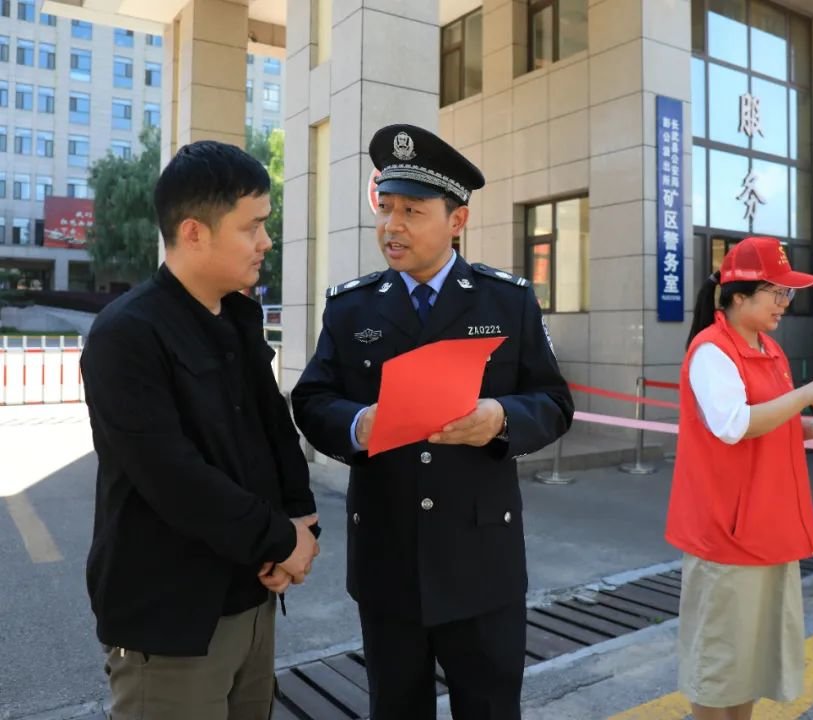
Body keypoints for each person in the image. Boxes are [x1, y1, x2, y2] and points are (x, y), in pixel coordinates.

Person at [291, 123, 574, 720]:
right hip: (388, 556)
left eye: (412, 211)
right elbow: (312, 399)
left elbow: (553, 402)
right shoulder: (352, 307)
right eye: (385, 208)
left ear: (457, 220)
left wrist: (501, 418)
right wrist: (358, 425)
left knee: (489, 709)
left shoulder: (506, 301)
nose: (391, 226)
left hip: (481, 559)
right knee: (396, 707)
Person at [80, 140, 321, 720]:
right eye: (252, 226)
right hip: (173, 621)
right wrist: (280, 540)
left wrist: (300, 520)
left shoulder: (237, 316)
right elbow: (174, 478)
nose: (267, 241)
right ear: (194, 232)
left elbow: (273, 429)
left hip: (254, 596)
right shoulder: (126, 335)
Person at [665, 236, 813, 720]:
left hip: (768, 524)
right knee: (719, 659)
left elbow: (772, 419)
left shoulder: (768, 348)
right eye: (777, 292)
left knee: (750, 655)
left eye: (788, 293)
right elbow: (735, 424)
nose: (785, 303)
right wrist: (808, 395)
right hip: (727, 530)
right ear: (738, 295)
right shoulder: (712, 350)